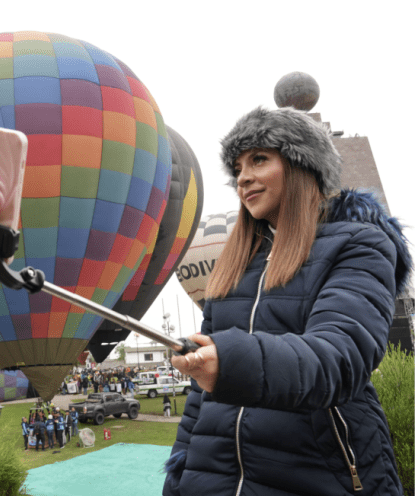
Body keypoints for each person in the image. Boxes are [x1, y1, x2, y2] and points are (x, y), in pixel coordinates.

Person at [163, 106, 410, 496]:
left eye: (259, 159)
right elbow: (200, 396)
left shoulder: (360, 246)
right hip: (215, 480)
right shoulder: (234, 265)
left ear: (302, 164)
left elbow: (340, 356)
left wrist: (230, 361)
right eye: (237, 167)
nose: (244, 177)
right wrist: (180, 473)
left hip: (319, 475)